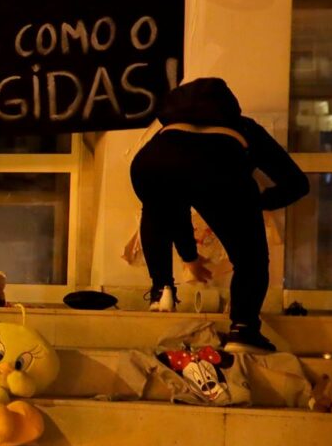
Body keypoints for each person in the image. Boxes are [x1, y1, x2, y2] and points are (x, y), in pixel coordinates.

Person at [130, 77, 309, 354]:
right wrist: (257, 203)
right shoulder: (244, 127)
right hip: (221, 169)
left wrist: (189, 257)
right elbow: (297, 183)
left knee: (156, 208)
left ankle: (162, 290)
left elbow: (176, 208)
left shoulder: (166, 131)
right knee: (250, 259)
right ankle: (244, 329)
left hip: (152, 163)